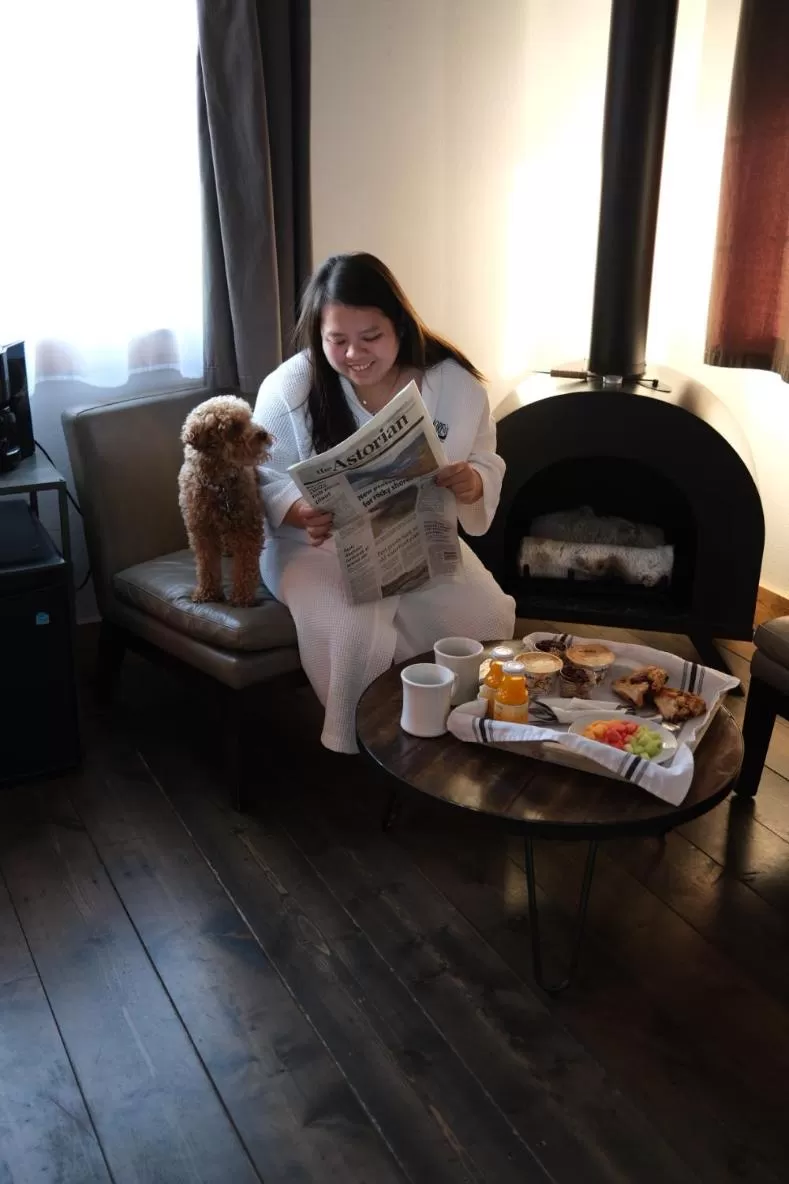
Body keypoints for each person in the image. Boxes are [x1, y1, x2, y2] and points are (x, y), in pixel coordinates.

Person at [253, 252, 516, 753]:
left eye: (370, 337)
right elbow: (260, 474)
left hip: (413, 541)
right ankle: (368, 745)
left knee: (486, 616)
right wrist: (297, 509)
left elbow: (486, 456)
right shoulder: (292, 387)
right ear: (319, 335)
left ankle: (451, 725)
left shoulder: (452, 385)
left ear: (398, 324)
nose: (354, 354)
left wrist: (473, 482)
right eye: (338, 340)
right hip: (313, 546)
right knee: (357, 629)